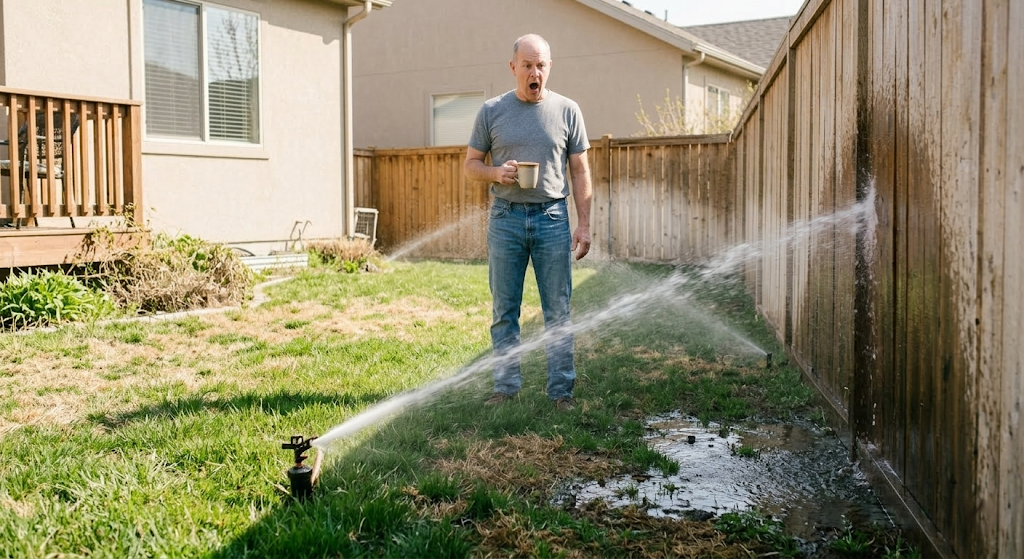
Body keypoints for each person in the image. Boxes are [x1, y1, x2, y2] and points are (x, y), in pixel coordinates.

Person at [463, 33, 593, 411]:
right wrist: (495, 174)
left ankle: (561, 393)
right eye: (528, 65)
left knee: (558, 309)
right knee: (505, 310)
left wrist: (583, 224)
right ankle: (505, 389)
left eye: (541, 65)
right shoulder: (492, 111)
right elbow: (470, 165)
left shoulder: (568, 110)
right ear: (513, 68)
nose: (535, 72)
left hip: (553, 217)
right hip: (505, 219)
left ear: (549, 67)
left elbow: (581, 171)